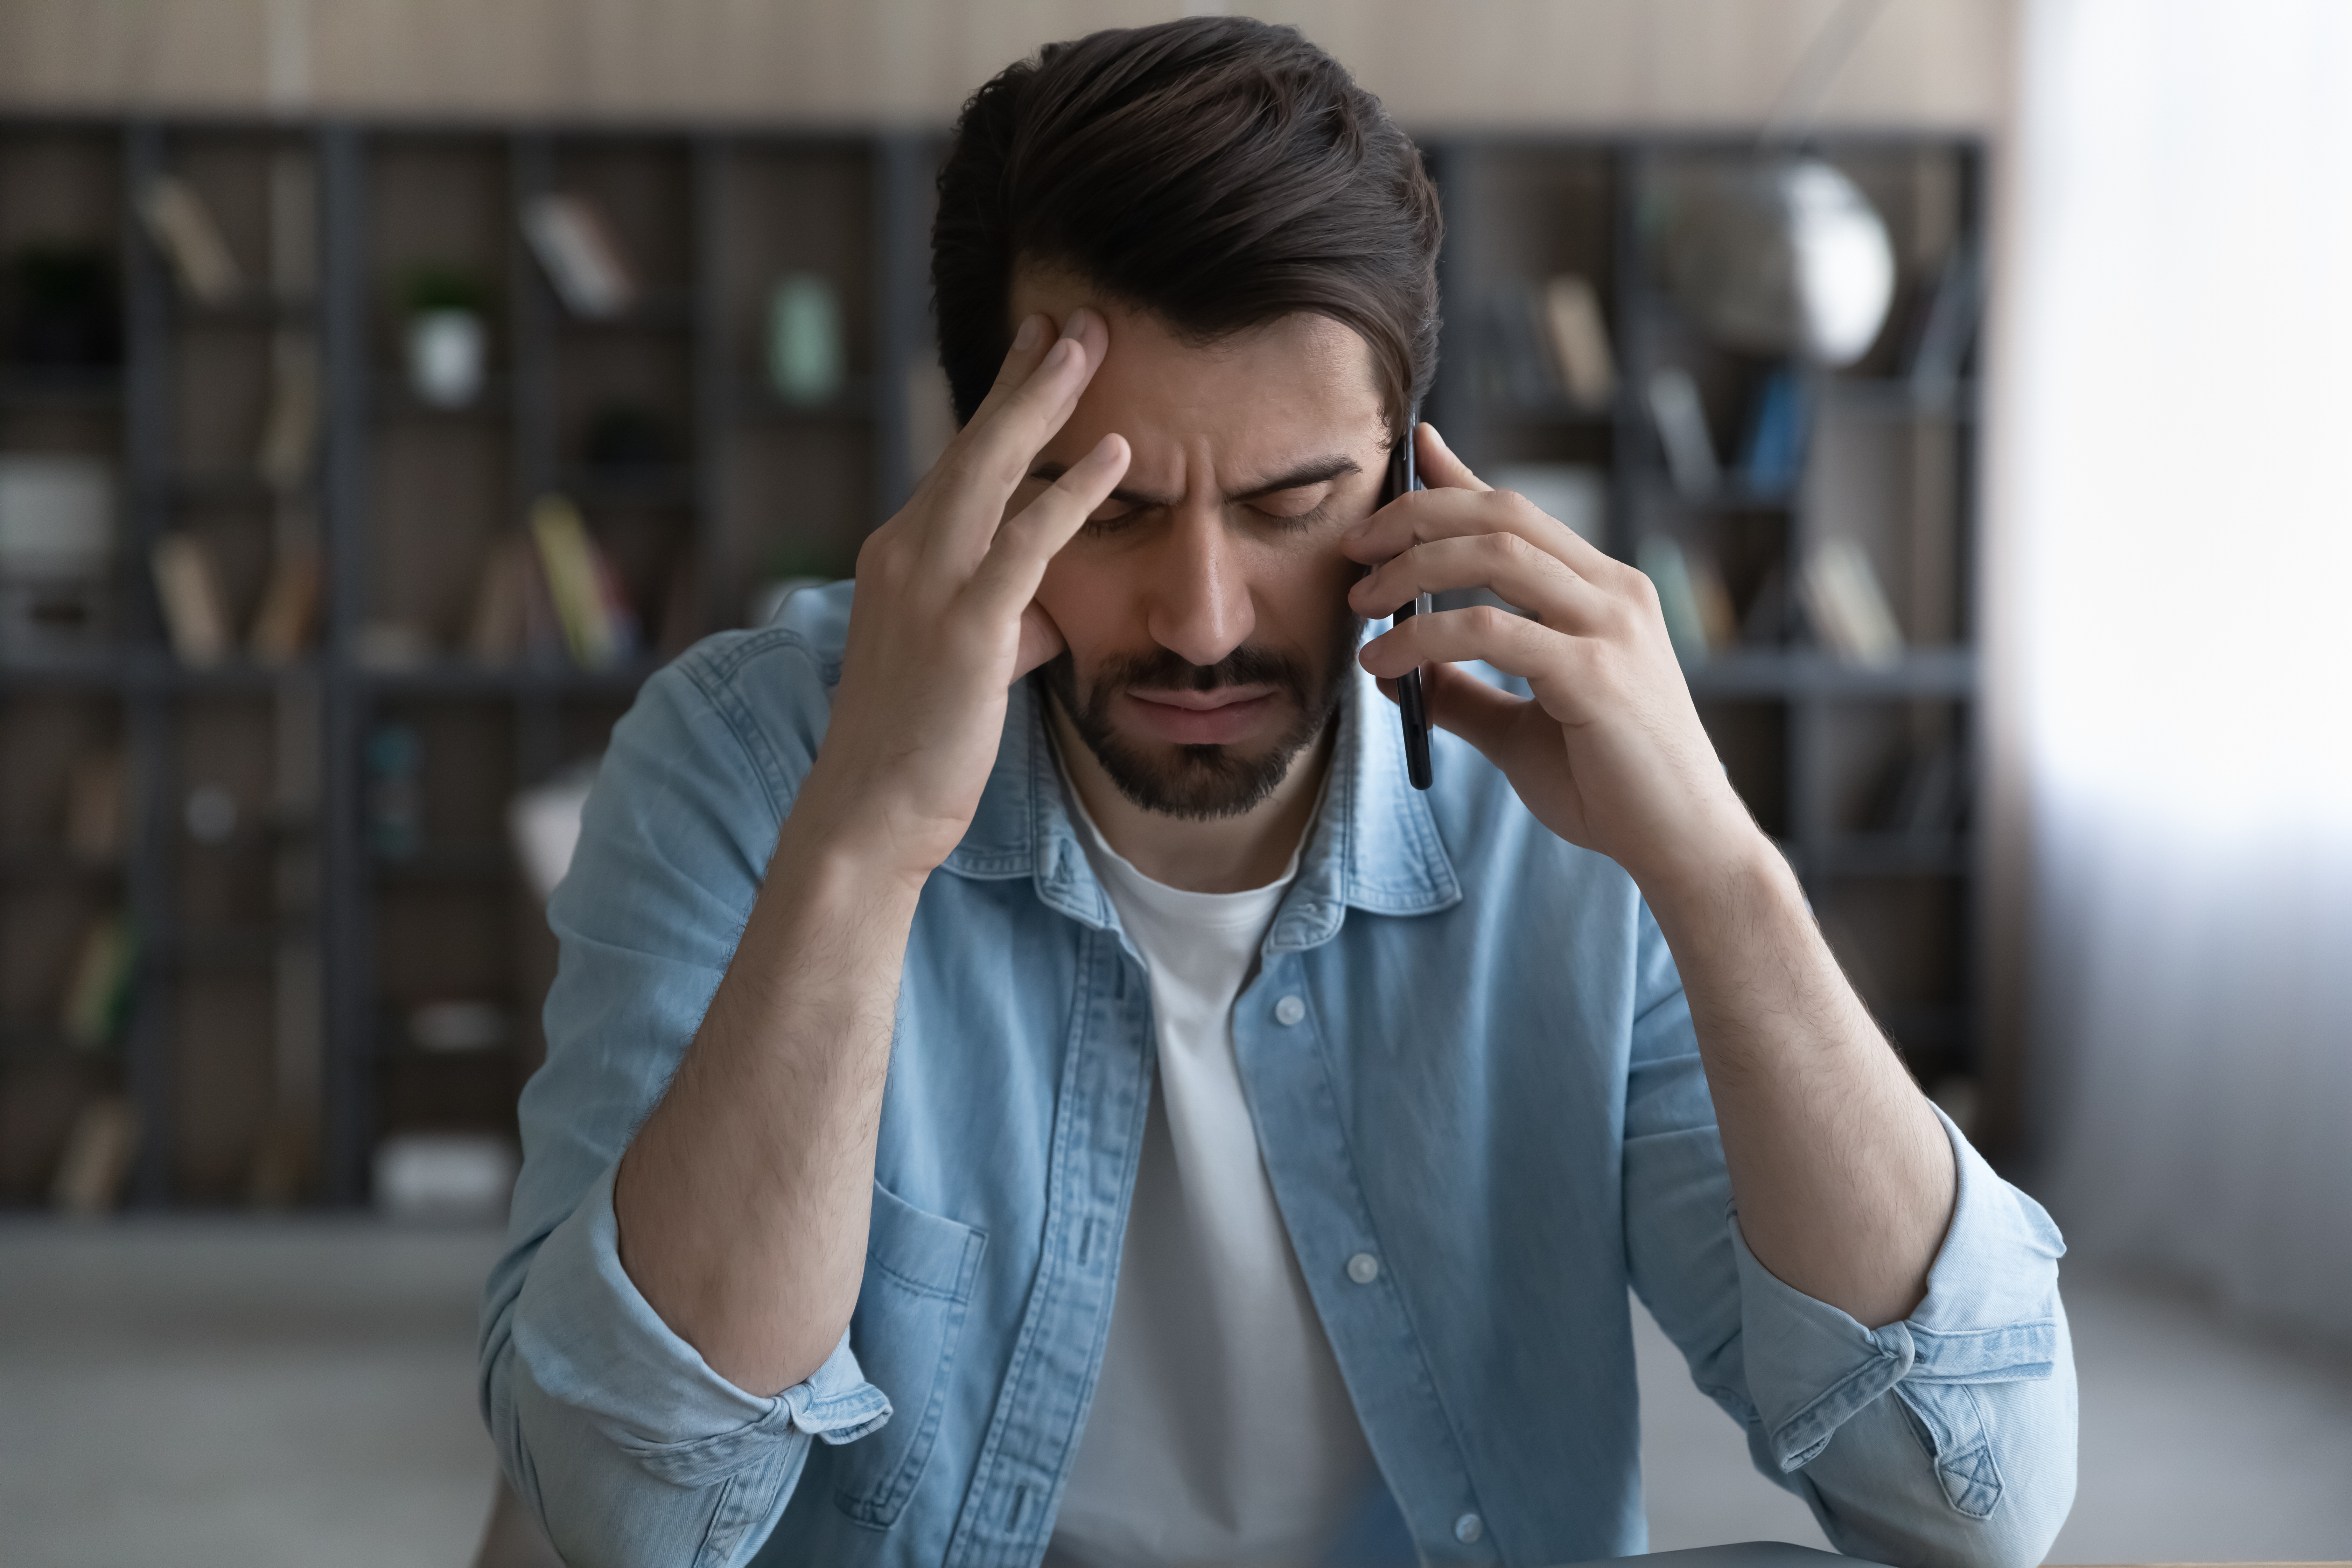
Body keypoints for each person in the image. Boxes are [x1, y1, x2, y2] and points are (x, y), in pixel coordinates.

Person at [479, 18, 2075, 1568]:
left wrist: (1722, 876)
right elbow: (627, 1515)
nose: (1205, 617)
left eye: (1290, 502)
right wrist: (866, 847)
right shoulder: (749, 761)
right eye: (1106, 511)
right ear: (975, 474)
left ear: (1406, 479)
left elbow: (1969, 1502)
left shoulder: (1561, 801)